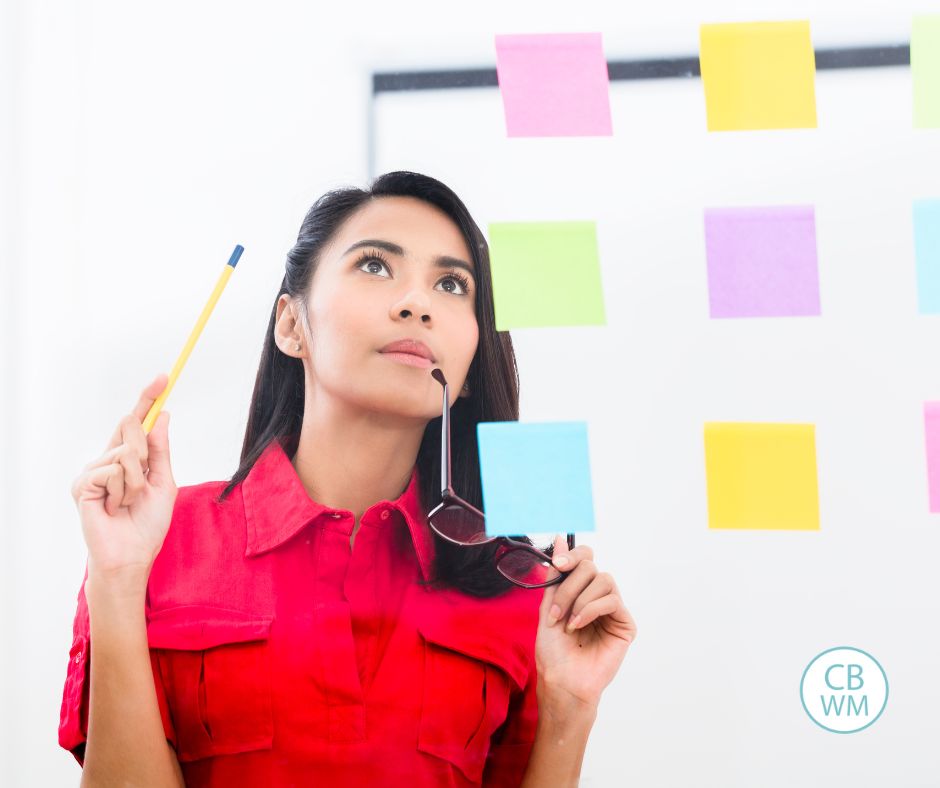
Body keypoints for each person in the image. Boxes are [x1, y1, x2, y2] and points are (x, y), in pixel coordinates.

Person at [59, 170, 638, 786]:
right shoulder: (153, 545)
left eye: (450, 284)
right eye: (375, 266)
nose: (416, 304)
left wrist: (571, 706)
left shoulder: (519, 582)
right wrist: (118, 583)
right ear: (291, 325)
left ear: (469, 367)